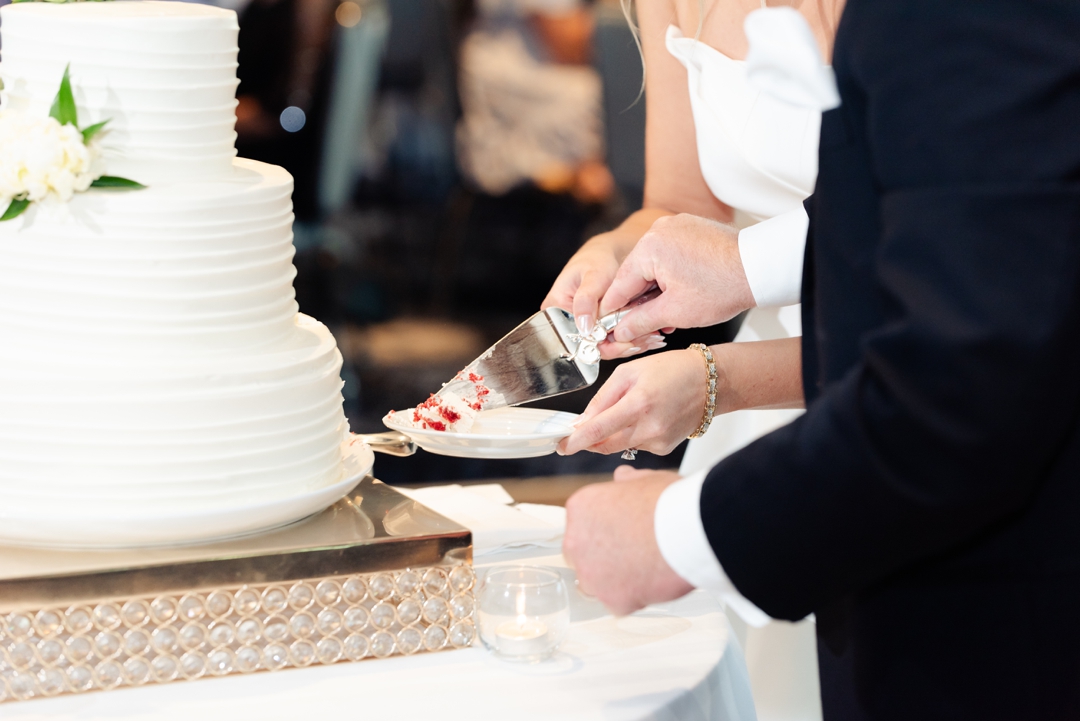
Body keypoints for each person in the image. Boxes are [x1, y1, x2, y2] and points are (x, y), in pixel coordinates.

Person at [562, 0, 1080, 718]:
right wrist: (624, 254)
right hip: (836, 452)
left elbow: (962, 361)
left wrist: (682, 517)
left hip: (894, 449)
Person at [548, 1, 842, 717]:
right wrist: (618, 254)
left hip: (880, 384)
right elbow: (681, 202)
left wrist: (717, 378)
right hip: (766, 412)